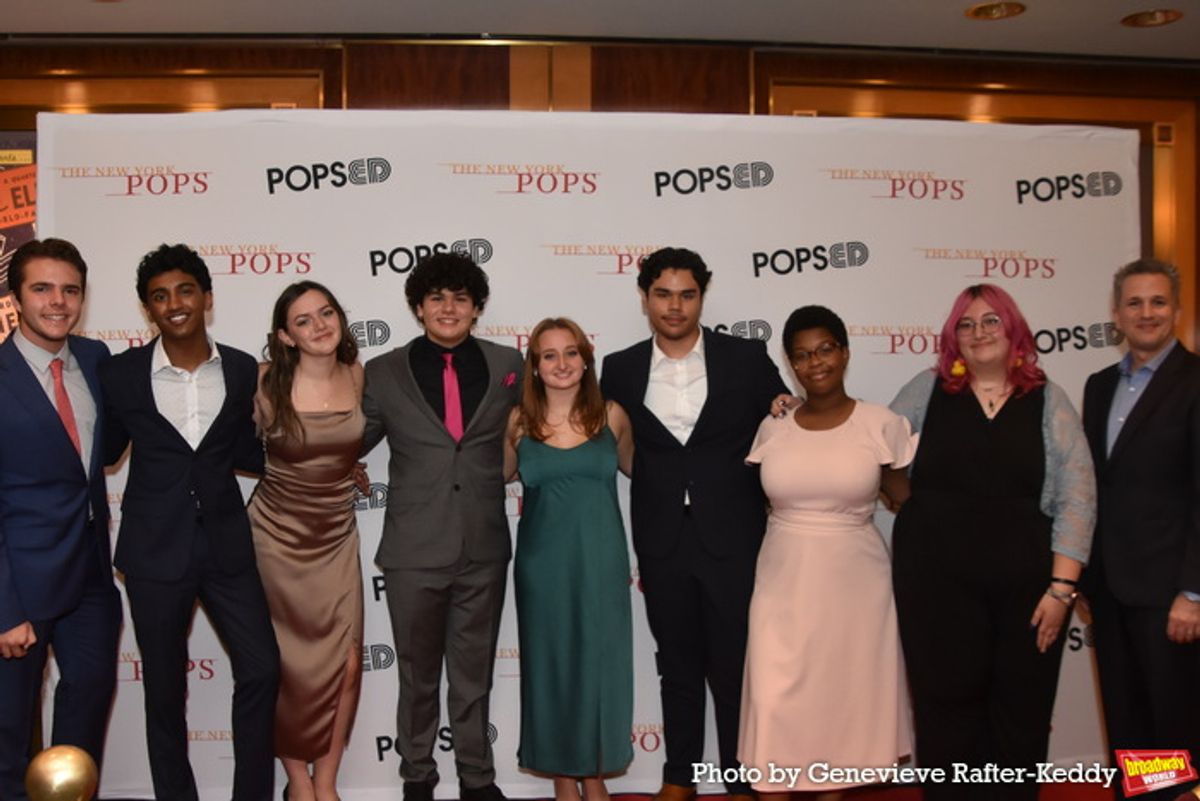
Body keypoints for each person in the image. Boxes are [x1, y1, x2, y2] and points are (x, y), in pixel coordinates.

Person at [889, 283, 1094, 801]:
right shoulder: (925, 390)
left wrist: (1061, 591)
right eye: (966, 323)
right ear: (952, 337)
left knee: (1020, 710)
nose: (978, 332)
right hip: (934, 588)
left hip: (1029, 593)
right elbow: (870, 448)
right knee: (942, 709)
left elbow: (1077, 494)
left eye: (990, 321)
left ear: (1014, 330)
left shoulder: (1048, 399)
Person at [599, 247, 788, 801]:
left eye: (687, 294)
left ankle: (739, 778)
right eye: (663, 294)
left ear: (702, 296)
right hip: (661, 539)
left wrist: (785, 403)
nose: (675, 306)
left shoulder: (745, 357)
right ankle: (679, 777)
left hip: (733, 535)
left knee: (734, 666)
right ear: (644, 298)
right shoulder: (620, 367)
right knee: (677, 666)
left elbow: (783, 417)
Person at [101, 243, 279, 801]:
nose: (174, 304)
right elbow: (106, 452)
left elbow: (254, 453)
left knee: (262, 669)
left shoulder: (244, 367)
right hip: (153, 554)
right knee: (162, 690)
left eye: (183, 291)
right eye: (159, 297)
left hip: (228, 549)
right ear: (147, 309)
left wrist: (323, 458)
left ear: (206, 297)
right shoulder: (121, 373)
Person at [362, 252, 522, 801]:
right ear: (417, 307)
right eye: (436, 298)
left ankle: (478, 778)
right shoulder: (382, 372)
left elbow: (554, 420)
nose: (448, 308)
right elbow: (346, 440)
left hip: (483, 548)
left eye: (459, 297)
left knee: (474, 676)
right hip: (412, 550)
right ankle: (417, 777)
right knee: (418, 676)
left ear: (476, 307)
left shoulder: (509, 364)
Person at [738, 305, 912, 798]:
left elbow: (905, 501)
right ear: (790, 364)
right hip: (783, 582)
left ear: (845, 352)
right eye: (802, 355)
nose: (815, 363)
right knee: (774, 709)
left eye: (825, 349)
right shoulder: (775, 425)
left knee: (837, 720)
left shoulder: (881, 424)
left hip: (855, 589)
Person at [0, 238, 122, 801]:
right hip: (19, 585)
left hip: (93, 577)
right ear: (17, 297)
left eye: (70, 289)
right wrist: (5, 608)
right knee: (7, 735)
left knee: (86, 715)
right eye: (42, 288)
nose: (58, 302)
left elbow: (113, 445)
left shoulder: (96, 361)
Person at [1081, 259, 1200, 800]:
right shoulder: (1099, 385)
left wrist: (1192, 592)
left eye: (1157, 302)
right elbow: (1093, 487)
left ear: (1176, 310)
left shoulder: (1196, 383)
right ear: (1116, 314)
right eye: (1134, 303)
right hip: (1108, 589)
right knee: (1127, 727)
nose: (1146, 313)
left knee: (1174, 728)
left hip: (1170, 595)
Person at [502, 317, 635, 801]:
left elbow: (648, 472)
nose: (562, 363)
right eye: (549, 355)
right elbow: (489, 477)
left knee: (601, 668)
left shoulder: (613, 416)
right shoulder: (518, 422)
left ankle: (594, 773)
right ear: (534, 366)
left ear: (586, 358)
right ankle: (562, 778)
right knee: (551, 668)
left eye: (571, 352)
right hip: (543, 567)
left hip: (601, 562)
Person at [247, 281, 365, 801]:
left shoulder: (359, 375)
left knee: (348, 662)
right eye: (303, 320)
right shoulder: (264, 381)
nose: (320, 325)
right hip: (276, 537)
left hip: (336, 533)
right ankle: (298, 779)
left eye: (326, 313)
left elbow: (343, 442)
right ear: (285, 336)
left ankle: (328, 780)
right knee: (289, 663)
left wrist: (351, 468)